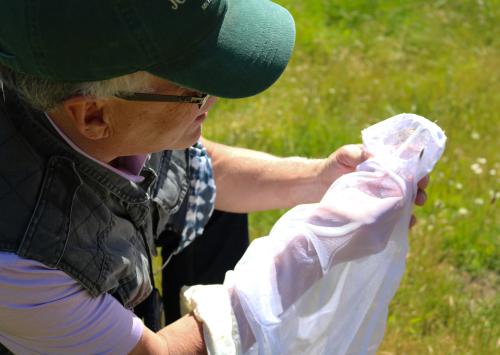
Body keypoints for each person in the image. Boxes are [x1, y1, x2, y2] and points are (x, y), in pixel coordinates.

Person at [0, 0, 429, 354]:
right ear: (93, 113)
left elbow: (200, 174)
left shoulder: (88, 112)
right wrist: (311, 251)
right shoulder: (22, 261)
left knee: (214, 216)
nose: (216, 99)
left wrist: (323, 179)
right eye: (196, 90)